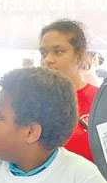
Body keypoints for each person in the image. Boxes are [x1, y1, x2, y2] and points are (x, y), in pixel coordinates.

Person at [38, 19, 98, 163]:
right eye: (44, 53)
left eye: (58, 52)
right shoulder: (32, 102)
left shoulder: (102, 100)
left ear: (79, 56)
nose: (48, 60)